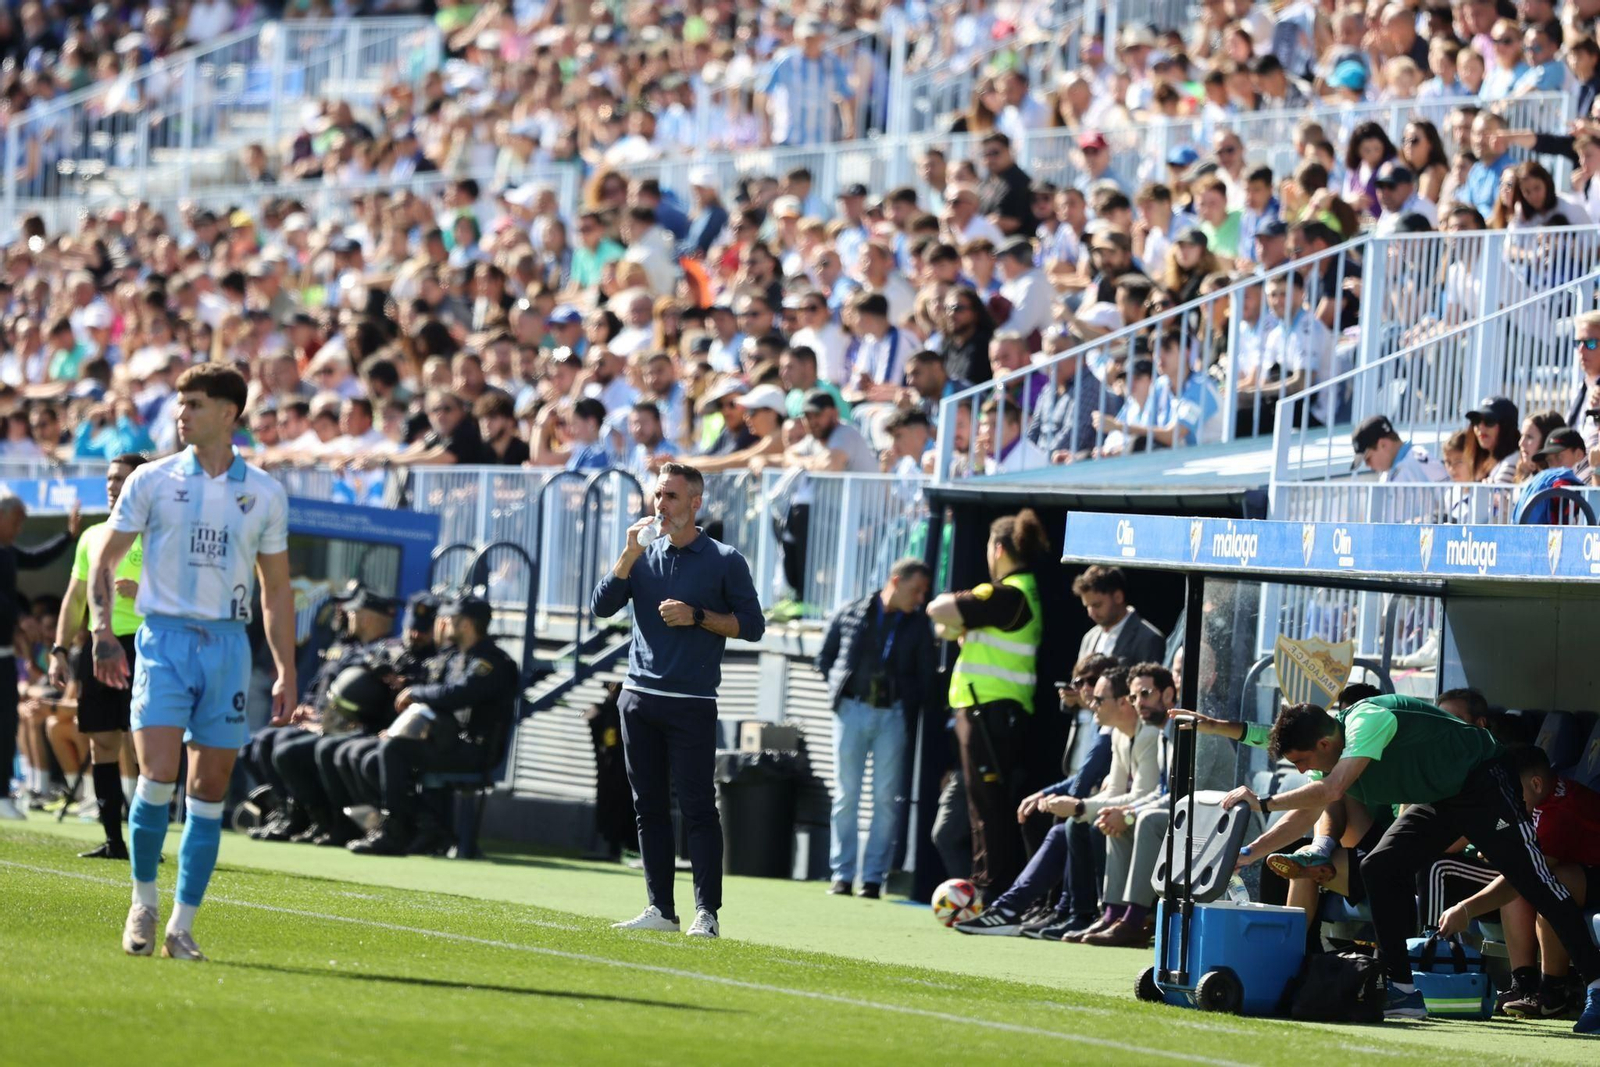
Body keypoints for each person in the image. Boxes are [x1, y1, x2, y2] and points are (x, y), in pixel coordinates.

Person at [1220, 695, 1600, 1031]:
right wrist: (1247, 853)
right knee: (1379, 866)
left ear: (1323, 743)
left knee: (1536, 883)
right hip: (1442, 797)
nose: (1302, 772)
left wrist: (1263, 802)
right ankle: (1402, 990)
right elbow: (1309, 808)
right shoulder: (1330, 755)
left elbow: (1331, 790)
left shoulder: (1367, 722)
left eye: (1302, 762)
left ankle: (1597, 988)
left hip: (1484, 783)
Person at [90, 363, 297, 962]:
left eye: (195, 404)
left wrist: (285, 669)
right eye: (180, 404)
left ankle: (181, 927)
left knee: (208, 790)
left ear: (229, 414)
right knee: (157, 774)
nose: (181, 414)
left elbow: (276, 589)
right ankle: (143, 901)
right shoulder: (151, 480)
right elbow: (105, 558)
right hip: (163, 640)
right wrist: (102, 630)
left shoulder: (264, 492)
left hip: (228, 647)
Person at [591, 463, 764, 939]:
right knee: (647, 808)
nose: (661, 505)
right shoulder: (641, 554)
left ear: (695, 503)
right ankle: (660, 910)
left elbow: (753, 626)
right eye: (658, 495)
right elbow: (601, 607)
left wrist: (698, 616)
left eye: (671, 496)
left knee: (698, 809)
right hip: (638, 698)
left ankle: (706, 913)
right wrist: (627, 554)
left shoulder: (725, 559)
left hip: (691, 700)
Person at [926, 509, 1049, 897]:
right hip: (991, 711)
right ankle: (990, 890)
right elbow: (946, 628)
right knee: (984, 807)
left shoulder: (1006, 593)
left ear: (998, 549)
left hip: (992, 712)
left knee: (989, 808)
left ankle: (992, 890)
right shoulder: (1017, 594)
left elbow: (937, 611)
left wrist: (956, 610)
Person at [1437, 745, 1600, 1019]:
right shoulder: (1537, 797)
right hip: (1582, 872)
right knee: (1524, 876)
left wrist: (1466, 909)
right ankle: (1523, 985)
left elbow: (1524, 875)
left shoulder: (1561, 811)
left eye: (1513, 789)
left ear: (1535, 784)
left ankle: (1553, 992)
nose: (1508, 796)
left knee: (1546, 883)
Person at [349, 594, 518, 855]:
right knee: (372, 757)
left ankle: (395, 832)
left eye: (451, 619)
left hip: (475, 751)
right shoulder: (457, 658)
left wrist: (415, 693)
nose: (444, 623)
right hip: (446, 741)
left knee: (393, 751)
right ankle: (428, 826)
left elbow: (457, 695)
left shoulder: (491, 662)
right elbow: (437, 689)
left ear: (465, 624)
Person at [814, 558, 935, 899]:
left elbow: (926, 676)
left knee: (885, 798)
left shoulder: (918, 624)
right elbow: (825, 658)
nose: (920, 598)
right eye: (916, 590)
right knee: (846, 795)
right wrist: (840, 693)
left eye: (923, 592)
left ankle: (872, 879)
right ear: (895, 581)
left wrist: (906, 699)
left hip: (891, 714)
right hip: (851, 710)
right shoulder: (851, 610)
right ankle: (842, 875)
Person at [49, 453, 146, 857]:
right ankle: (113, 841)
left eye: (121, 479)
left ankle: (147, 841)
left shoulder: (159, 534)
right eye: (109, 478)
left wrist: (145, 594)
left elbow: (186, 594)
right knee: (102, 743)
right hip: (98, 648)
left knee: (145, 747)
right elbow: (74, 599)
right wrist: (59, 649)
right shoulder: (91, 536)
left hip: (145, 646)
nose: (112, 486)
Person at [0, 490, 82, 820]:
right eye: (16, 522)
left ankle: (3, 793)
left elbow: (35, 558)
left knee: (8, 722)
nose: (19, 529)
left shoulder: (7, 551)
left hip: (5, 653)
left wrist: (68, 537)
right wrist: (20, 618)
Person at [1072, 565, 1165, 666]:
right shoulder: (1089, 638)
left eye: (1097, 605)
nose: (1091, 613)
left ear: (1118, 597)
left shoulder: (1149, 639)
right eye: (1087, 606)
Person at [1352, 415, 1449, 483]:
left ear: (1383, 444)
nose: (1367, 465)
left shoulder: (1420, 460)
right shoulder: (1387, 474)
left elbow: (1447, 499)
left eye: (1368, 458)